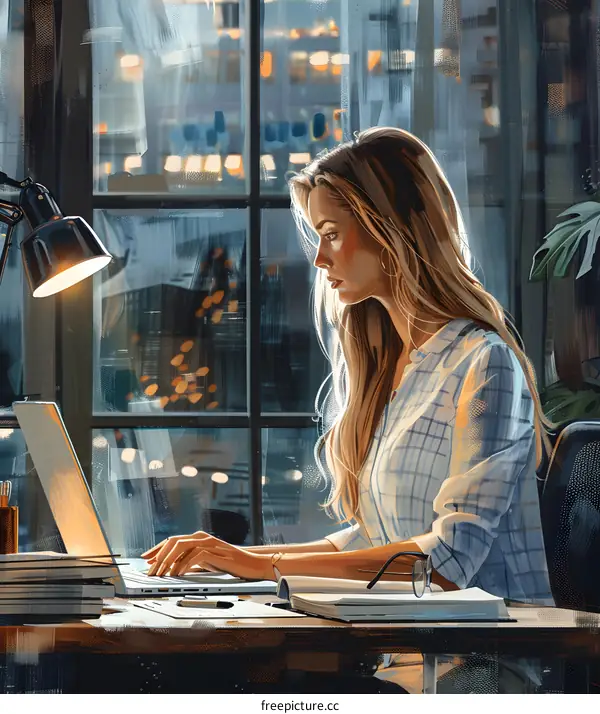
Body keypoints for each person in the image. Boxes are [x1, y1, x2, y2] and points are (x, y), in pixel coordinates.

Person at [142, 127, 554, 691]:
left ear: (391, 229)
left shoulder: (485, 364)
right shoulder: (398, 369)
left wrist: (261, 568)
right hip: (406, 660)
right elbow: (370, 538)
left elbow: (446, 561)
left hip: (482, 672)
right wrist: (229, 559)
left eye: (332, 234)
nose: (318, 257)